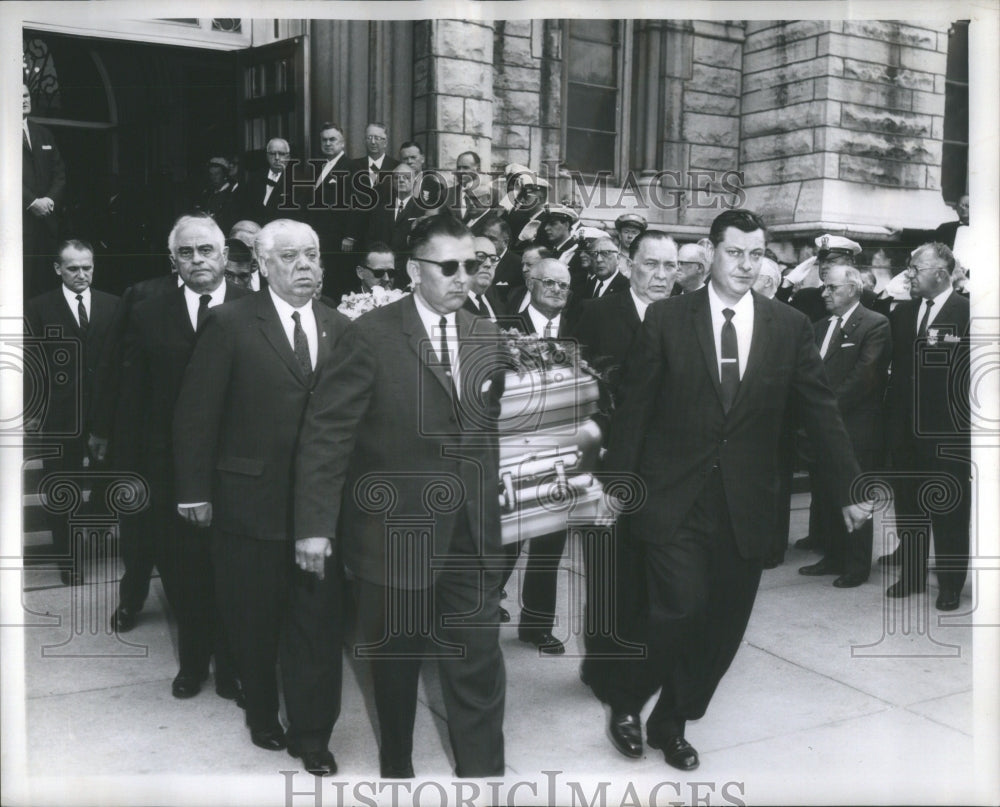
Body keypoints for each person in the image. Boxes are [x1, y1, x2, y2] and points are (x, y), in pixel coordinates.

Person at [598, 209, 868, 771]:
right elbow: (637, 412)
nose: (746, 265)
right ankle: (625, 699)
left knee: (721, 627)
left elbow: (821, 413)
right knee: (677, 607)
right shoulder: (668, 319)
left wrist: (848, 487)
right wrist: (618, 485)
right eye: (735, 252)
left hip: (747, 505)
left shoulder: (789, 326)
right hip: (673, 497)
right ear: (711, 253)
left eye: (755, 254)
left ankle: (671, 720)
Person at [294, 213, 507, 779]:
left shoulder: (486, 334)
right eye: (450, 267)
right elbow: (328, 435)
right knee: (397, 659)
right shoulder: (369, 335)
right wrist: (315, 524)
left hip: (470, 531)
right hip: (395, 534)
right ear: (415, 271)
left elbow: (487, 435)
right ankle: (397, 765)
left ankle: (483, 773)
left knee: (478, 657)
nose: (464, 277)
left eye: (473, 265)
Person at [173, 219, 350, 774]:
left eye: (313, 256)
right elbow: (197, 413)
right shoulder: (230, 323)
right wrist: (193, 490)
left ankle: (314, 734)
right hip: (247, 506)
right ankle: (264, 715)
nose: (305, 266)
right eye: (292, 257)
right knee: (253, 621)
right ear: (263, 264)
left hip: (318, 512)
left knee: (317, 626)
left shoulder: (341, 326)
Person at [115, 215, 248, 699]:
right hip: (169, 471)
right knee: (185, 575)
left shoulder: (254, 310)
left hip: (240, 471)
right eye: (187, 253)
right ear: (173, 260)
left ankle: (232, 666)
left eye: (206, 251)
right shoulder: (150, 313)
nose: (198, 261)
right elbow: (133, 397)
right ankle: (193, 663)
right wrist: (131, 472)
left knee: (233, 575)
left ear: (225, 255)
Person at [572, 231, 679, 701]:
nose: (660, 276)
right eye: (650, 264)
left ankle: (638, 662)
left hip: (664, 471)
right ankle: (601, 664)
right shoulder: (597, 313)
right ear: (628, 264)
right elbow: (576, 387)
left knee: (649, 573)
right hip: (609, 464)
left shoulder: (688, 316)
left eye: (669, 267)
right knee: (605, 569)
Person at [24, 240, 119, 584]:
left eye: (87, 267)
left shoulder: (114, 305)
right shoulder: (38, 308)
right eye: (74, 268)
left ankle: (88, 536)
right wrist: (33, 410)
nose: (82, 275)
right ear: (57, 269)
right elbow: (32, 364)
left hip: (105, 415)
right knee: (59, 487)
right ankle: (68, 558)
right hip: (60, 416)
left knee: (111, 482)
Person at [882, 242, 970, 612]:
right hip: (905, 432)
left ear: (942, 273)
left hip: (947, 435)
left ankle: (950, 584)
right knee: (909, 506)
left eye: (917, 268)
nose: (909, 275)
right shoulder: (902, 314)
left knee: (949, 510)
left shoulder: (969, 312)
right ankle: (914, 574)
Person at [497, 259, 575, 653]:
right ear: (530, 282)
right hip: (511, 450)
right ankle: (480, 608)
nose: (558, 290)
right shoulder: (502, 324)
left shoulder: (578, 329)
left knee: (549, 543)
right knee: (503, 541)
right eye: (549, 282)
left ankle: (536, 625)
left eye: (564, 285)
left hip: (559, 451)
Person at [797, 265, 891, 588]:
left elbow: (865, 376)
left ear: (852, 289)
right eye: (825, 288)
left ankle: (856, 564)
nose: (824, 293)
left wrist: (823, 411)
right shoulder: (820, 326)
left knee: (856, 492)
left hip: (856, 427)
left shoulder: (875, 324)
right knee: (825, 492)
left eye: (831, 288)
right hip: (823, 427)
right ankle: (833, 555)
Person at [23, 83, 67, 297]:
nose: (24, 99)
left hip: (46, 224)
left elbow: (60, 173)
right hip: (18, 225)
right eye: (17, 96)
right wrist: (31, 202)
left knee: (45, 285)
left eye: (26, 94)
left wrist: (49, 200)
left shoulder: (44, 134)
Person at [310, 122, 357, 300]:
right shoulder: (319, 167)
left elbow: (358, 204)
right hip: (321, 238)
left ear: (342, 142)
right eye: (324, 140)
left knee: (338, 284)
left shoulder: (351, 167)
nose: (328, 143)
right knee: (324, 283)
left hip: (339, 240)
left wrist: (350, 235)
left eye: (332, 139)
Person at [241, 138, 293, 224]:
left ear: (288, 157)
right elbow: (246, 210)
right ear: (267, 156)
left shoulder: (296, 182)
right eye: (272, 153)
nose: (277, 158)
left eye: (281, 154)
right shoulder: (255, 179)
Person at [462, 236, 504, 321]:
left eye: (493, 259)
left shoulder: (500, 306)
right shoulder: (453, 305)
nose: (488, 264)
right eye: (480, 257)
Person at [581, 235, 630, 300]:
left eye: (605, 253)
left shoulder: (627, 288)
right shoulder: (586, 284)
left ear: (618, 258)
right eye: (594, 254)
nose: (599, 259)